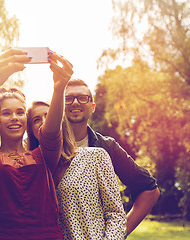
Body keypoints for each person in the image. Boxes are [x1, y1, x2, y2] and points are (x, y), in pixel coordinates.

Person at [0, 48, 73, 240]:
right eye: (6, 113)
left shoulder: (43, 155)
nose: (14, 118)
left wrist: (59, 88)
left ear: (26, 117)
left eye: (20, 112)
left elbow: (51, 133)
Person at [64, 78, 160, 235]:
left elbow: (149, 190)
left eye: (82, 98)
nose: (75, 103)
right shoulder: (45, 145)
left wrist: (118, 232)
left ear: (92, 107)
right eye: (68, 98)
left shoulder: (107, 147)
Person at [27, 101, 127, 239]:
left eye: (49, 115)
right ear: (31, 131)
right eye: (36, 120)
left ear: (60, 120)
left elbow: (116, 214)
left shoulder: (96, 157)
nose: (45, 122)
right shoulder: (32, 172)